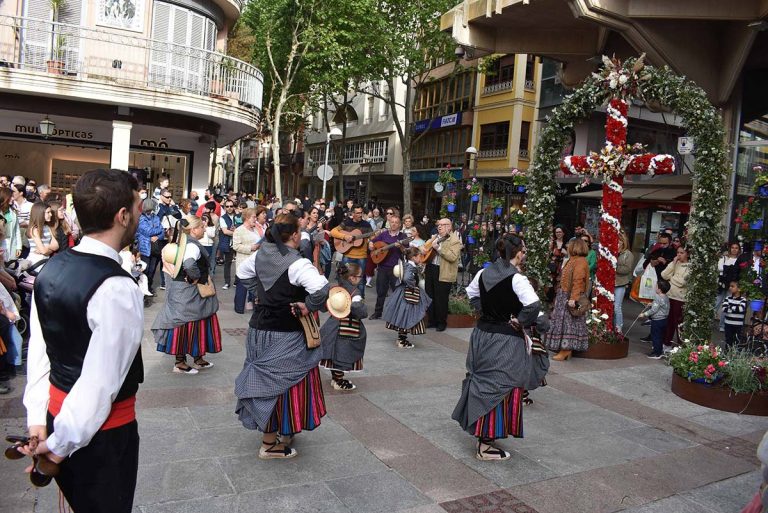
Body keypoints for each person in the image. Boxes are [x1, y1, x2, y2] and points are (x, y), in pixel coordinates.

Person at [20, 168, 144, 512]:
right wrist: (58, 446)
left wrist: (39, 422)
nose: (139, 214)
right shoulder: (117, 288)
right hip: (98, 435)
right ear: (121, 216)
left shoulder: (51, 268)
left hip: (56, 417)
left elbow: (41, 355)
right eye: (136, 208)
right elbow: (99, 384)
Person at [234, 213, 330, 459]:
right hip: (286, 333)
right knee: (280, 383)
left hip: (259, 330)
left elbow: (242, 274)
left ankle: (279, 431)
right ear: (295, 235)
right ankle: (269, 443)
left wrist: (260, 294)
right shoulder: (298, 263)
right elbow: (322, 289)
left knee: (269, 381)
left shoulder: (260, 255)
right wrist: (308, 305)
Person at [452, 234, 547, 461]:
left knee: (483, 381)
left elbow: (471, 294)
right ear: (517, 253)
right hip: (504, 340)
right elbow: (534, 306)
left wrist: (485, 311)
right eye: (523, 250)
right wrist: (519, 321)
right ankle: (485, 445)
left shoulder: (483, 273)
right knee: (501, 384)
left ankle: (485, 436)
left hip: (482, 335)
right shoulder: (518, 279)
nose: (524, 254)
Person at [153, 215, 222, 374]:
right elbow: (189, 264)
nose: (204, 229)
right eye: (202, 227)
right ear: (193, 229)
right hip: (188, 293)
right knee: (185, 324)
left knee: (196, 322)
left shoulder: (183, 242)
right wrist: (196, 276)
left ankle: (197, 358)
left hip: (184, 292)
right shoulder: (192, 246)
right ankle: (180, 363)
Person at [319, 264, 367, 390]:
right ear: (352, 278)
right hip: (348, 327)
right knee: (343, 353)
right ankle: (339, 381)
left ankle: (336, 378)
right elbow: (359, 310)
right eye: (359, 276)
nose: (360, 279)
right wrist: (361, 309)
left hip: (333, 323)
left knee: (333, 352)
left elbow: (324, 304)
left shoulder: (337, 287)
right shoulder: (355, 293)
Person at [544, 238, 590, 361]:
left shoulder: (580, 261)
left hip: (569, 296)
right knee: (564, 322)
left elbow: (578, 281)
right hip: (564, 295)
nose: (568, 246)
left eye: (570, 245)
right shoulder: (573, 260)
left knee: (569, 323)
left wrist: (573, 299)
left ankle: (566, 349)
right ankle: (564, 349)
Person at [383, 247, 432, 348]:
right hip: (408, 295)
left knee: (403, 316)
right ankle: (402, 341)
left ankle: (401, 339)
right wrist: (412, 285)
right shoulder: (410, 267)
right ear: (414, 257)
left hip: (404, 293)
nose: (420, 258)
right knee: (407, 316)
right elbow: (406, 278)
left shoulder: (407, 265)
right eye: (419, 256)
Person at [423, 218, 461, 332]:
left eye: (443, 225)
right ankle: (431, 321)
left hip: (444, 271)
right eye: (439, 225)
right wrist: (425, 248)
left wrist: (438, 248)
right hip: (431, 268)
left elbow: (453, 257)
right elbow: (425, 248)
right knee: (430, 296)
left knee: (441, 299)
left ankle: (441, 322)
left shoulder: (454, 240)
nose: (440, 227)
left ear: (449, 226)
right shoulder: (435, 237)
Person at [330, 204, 373, 299]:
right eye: (357, 213)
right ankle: (344, 299)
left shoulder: (367, 225)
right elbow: (333, 231)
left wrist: (372, 241)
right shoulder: (346, 223)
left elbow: (373, 237)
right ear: (352, 213)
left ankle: (359, 301)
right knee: (345, 278)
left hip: (361, 256)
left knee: (360, 281)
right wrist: (345, 237)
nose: (360, 215)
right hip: (348, 255)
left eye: (361, 212)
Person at [368, 215, 407, 320]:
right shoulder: (384, 234)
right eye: (392, 222)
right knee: (381, 291)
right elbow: (372, 241)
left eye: (396, 222)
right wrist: (371, 244)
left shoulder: (403, 236)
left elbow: (406, 252)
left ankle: (396, 313)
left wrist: (401, 246)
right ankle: (377, 312)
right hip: (382, 267)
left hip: (396, 269)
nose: (393, 224)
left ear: (399, 225)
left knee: (396, 292)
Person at [233, 207, 263, 313]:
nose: (255, 219)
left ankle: (255, 306)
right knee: (242, 286)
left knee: (255, 285)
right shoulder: (239, 230)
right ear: (246, 217)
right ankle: (239, 308)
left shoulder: (255, 229)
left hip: (256, 261)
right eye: (254, 217)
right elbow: (236, 246)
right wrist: (251, 247)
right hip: (244, 262)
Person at [660, 245, 690, 348]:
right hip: (670, 295)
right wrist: (673, 263)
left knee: (679, 322)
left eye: (682, 253)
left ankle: (680, 344)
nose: (679, 255)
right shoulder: (674, 263)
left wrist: (671, 278)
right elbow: (663, 274)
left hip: (680, 298)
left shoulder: (690, 266)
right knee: (669, 321)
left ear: (687, 254)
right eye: (678, 252)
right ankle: (666, 342)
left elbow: (682, 282)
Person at [136, 198, 165, 294]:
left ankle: (149, 286)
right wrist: (155, 233)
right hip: (145, 248)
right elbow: (148, 231)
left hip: (155, 248)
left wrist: (157, 236)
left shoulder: (156, 217)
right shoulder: (141, 218)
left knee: (152, 270)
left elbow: (162, 231)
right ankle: (142, 288)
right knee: (145, 269)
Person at [638, 280, 670, 359]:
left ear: (659, 290)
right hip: (664, 320)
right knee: (660, 336)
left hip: (657, 321)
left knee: (655, 337)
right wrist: (652, 304)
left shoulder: (657, 297)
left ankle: (656, 353)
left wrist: (644, 314)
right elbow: (661, 305)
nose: (655, 288)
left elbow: (653, 310)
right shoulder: (665, 297)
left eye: (656, 286)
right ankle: (660, 350)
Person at [717, 242, 742, 332]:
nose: (734, 249)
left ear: (739, 250)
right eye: (732, 247)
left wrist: (728, 269)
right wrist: (730, 269)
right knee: (716, 303)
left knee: (727, 304)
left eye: (736, 248)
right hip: (722, 283)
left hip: (732, 284)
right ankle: (708, 322)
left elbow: (738, 271)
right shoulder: (724, 258)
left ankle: (722, 324)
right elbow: (719, 268)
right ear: (730, 249)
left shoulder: (739, 260)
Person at [614, 232, 634, 335]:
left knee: (617, 306)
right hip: (611, 282)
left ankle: (619, 327)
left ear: (623, 242)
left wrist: (614, 265)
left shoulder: (628, 254)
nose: (617, 243)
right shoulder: (611, 252)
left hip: (620, 283)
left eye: (619, 241)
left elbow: (627, 269)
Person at [722, 280, 747, 349]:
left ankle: (734, 357)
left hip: (738, 325)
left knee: (736, 342)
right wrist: (735, 308)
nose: (730, 288)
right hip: (728, 324)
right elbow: (724, 309)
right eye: (730, 286)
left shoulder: (743, 300)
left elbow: (741, 309)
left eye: (732, 286)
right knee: (728, 341)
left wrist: (730, 307)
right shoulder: (727, 298)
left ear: (739, 289)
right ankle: (726, 356)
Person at [218, 200, 236, 289]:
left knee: (240, 263)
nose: (229, 208)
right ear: (225, 208)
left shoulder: (238, 216)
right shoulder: (222, 218)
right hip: (228, 243)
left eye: (231, 206)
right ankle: (227, 282)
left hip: (238, 243)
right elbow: (225, 231)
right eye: (227, 206)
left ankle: (237, 281)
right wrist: (238, 233)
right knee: (227, 263)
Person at [0, 188, 21, 261]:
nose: (13, 198)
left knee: (10, 264)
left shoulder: (13, 212)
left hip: (11, 242)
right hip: (2, 242)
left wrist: (19, 246)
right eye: (11, 197)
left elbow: (17, 230)